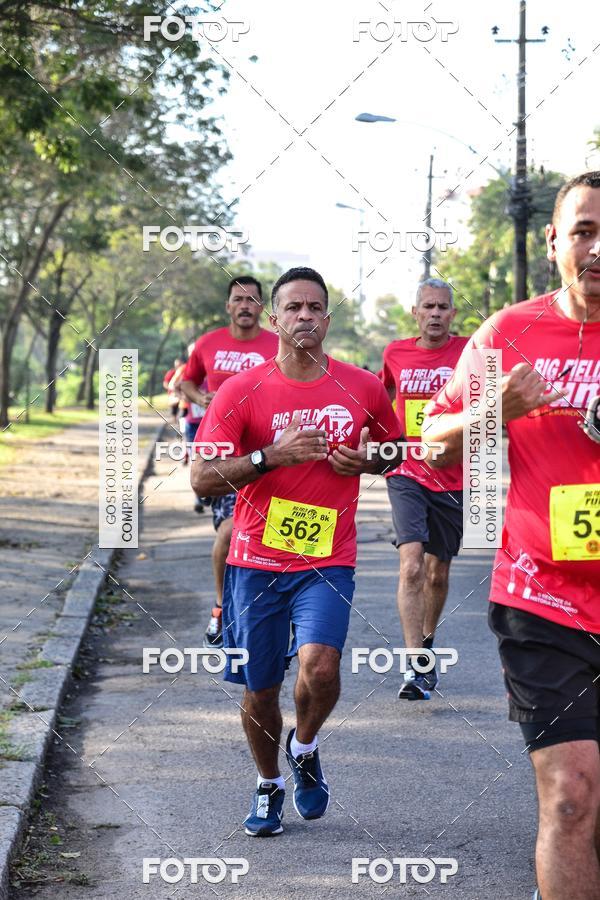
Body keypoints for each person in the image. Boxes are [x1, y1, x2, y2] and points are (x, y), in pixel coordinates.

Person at [423, 172, 600, 900]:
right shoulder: (509, 334)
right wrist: (495, 404)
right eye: (584, 230)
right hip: (544, 598)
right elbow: (433, 442)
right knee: (571, 795)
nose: (598, 247)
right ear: (554, 241)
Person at [191, 266, 402, 836]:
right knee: (261, 689)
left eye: (315, 307)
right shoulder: (241, 391)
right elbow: (202, 477)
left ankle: (303, 747)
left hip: (328, 559)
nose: (305, 316)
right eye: (294, 307)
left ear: (327, 319)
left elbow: (394, 449)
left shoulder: (363, 386)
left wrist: (372, 461)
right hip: (255, 562)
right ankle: (268, 784)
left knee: (321, 666)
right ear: (273, 318)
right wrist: (268, 458)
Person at [381, 279, 468, 700]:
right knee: (412, 566)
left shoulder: (473, 352)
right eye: (427, 307)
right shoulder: (395, 353)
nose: (435, 314)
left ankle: (428, 643)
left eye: (443, 307)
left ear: (453, 314)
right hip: (406, 471)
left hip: (452, 474)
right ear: (415, 313)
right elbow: (382, 397)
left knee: (438, 572)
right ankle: (415, 665)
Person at [180, 276, 278, 647]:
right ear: (229, 306)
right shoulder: (209, 343)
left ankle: (271, 610)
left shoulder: (276, 344)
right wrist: (204, 400)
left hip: (270, 450)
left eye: (253, 300)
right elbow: (186, 382)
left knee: (269, 533)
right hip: (224, 451)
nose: (246, 306)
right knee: (228, 531)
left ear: (262, 308)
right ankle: (221, 607)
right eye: (239, 299)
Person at [163, 358, 183, 423]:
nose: (178, 366)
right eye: (177, 365)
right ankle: (174, 420)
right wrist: (171, 389)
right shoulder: (171, 372)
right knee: (174, 408)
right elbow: (165, 383)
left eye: (180, 364)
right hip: (173, 394)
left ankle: (179, 421)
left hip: (182, 394)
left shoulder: (184, 372)